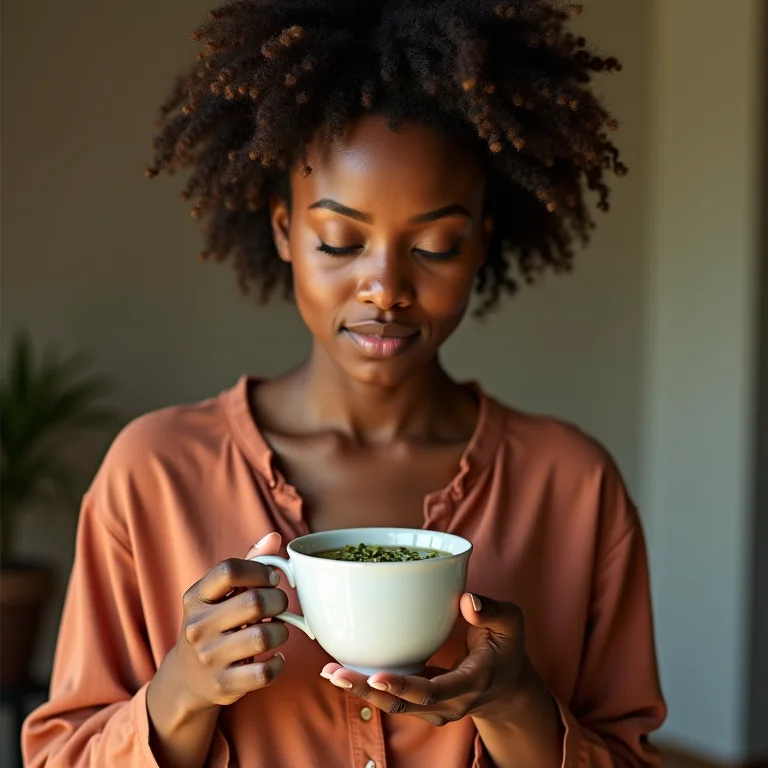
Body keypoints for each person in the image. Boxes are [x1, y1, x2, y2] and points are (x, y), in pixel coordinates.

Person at [22, 1, 666, 766]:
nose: (385, 287)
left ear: (481, 245)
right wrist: (181, 694)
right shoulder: (151, 474)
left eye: (435, 245)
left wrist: (514, 700)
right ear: (282, 229)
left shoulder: (574, 488)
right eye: (339, 240)